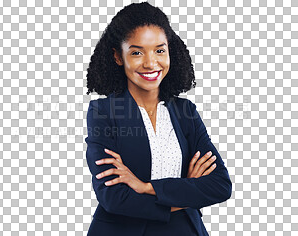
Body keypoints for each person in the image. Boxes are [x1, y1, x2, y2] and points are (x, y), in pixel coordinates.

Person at [84, 2, 232, 236]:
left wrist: (145, 187)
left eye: (159, 50)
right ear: (118, 56)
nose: (150, 63)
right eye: (137, 52)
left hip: (184, 230)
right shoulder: (104, 112)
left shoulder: (186, 112)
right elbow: (113, 197)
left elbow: (220, 186)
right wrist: (186, 192)